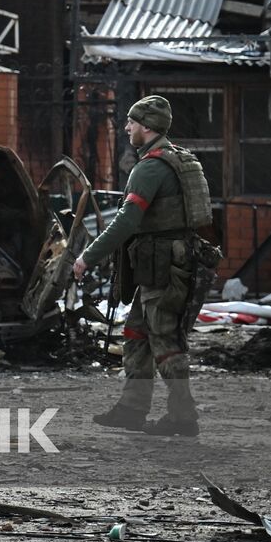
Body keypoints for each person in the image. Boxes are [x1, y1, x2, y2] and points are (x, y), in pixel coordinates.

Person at [73, 95, 213, 437]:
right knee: (136, 332)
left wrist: (87, 256)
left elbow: (127, 221)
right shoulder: (176, 159)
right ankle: (132, 409)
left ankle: (183, 417)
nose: (126, 128)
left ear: (146, 127)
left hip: (163, 265)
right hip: (165, 262)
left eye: (131, 122)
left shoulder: (151, 167)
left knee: (165, 338)